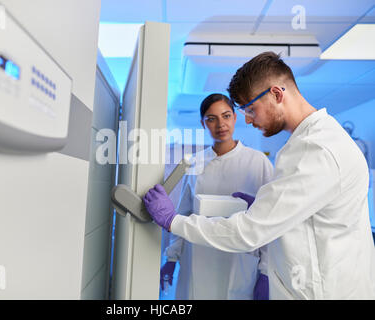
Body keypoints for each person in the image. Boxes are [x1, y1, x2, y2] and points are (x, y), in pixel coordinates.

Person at [145, 52, 375, 299]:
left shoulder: (314, 150)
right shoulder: (315, 140)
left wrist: (172, 221)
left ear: (276, 94)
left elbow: (249, 231)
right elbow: (307, 217)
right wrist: (267, 207)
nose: (247, 119)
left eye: (250, 109)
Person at [160, 93, 273, 300]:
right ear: (203, 124)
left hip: (239, 262)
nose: (221, 124)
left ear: (235, 117)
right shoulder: (194, 163)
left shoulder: (258, 162)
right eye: (211, 119)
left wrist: (266, 272)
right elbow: (183, 214)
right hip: (198, 259)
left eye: (226, 116)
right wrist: (172, 257)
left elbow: (270, 221)